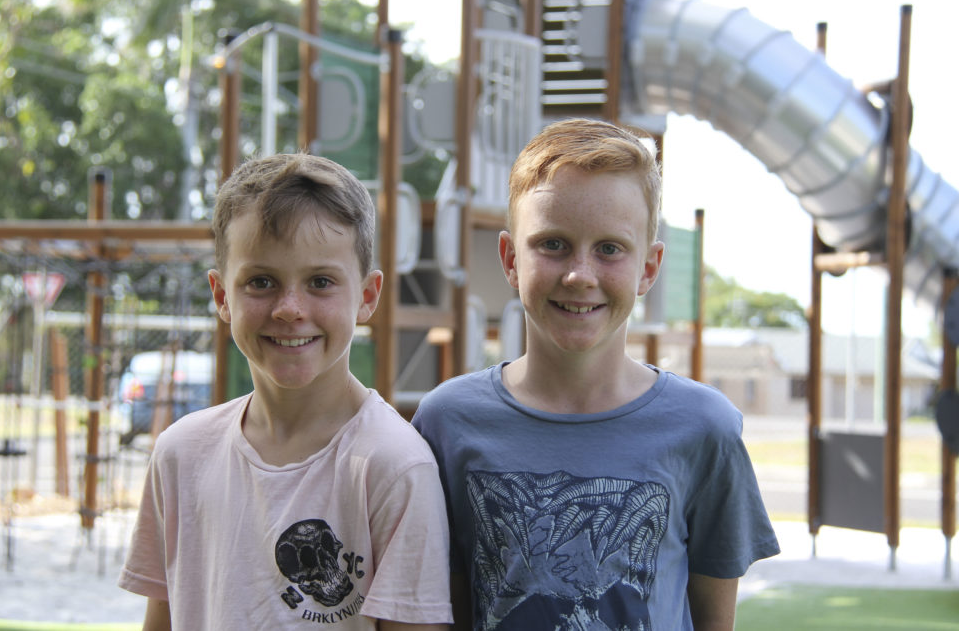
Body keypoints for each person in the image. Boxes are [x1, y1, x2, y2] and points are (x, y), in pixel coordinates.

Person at [412, 118, 780, 630]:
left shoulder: (705, 428)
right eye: (553, 244)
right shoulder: (447, 422)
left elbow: (713, 618)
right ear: (510, 258)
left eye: (609, 248)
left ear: (648, 268)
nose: (579, 275)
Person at [119, 153, 453, 630]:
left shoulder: (395, 467)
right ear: (221, 297)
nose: (290, 308)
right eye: (261, 282)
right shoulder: (180, 455)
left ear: (367, 296)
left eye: (320, 282)